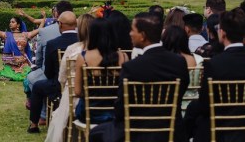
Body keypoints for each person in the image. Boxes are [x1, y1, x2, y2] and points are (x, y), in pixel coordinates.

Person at [89, 12, 189, 142]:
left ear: (142, 36)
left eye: (132, 30)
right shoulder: (179, 62)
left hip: (136, 132)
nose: (129, 33)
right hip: (172, 130)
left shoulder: (131, 67)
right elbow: (182, 90)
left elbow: (121, 107)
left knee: (95, 133)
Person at [185, 8, 245, 141]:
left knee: (195, 111)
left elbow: (205, 104)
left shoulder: (213, 64)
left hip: (220, 130)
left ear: (223, 33)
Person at [45, 13, 95, 142]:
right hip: (102, 101)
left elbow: (61, 79)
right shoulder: (105, 53)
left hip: (75, 98)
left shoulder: (73, 50)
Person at [27, 11, 78, 133]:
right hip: (81, 85)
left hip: (59, 86)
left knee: (38, 86)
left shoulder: (53, 44)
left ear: (60, 24)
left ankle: (34, 124)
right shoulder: (84, 41)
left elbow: (48, 72)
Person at [74, 18, 128, 124]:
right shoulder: (124, 56)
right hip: (117, 112)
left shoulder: (83, 57)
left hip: (90, 113)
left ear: (92, 34)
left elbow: (77, 91)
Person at [0, 11, 45, 81]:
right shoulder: (6, 35)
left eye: (13, 22)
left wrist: (26, 15)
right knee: (7, 75)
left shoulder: (26, 35)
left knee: (28, 75)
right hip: (11, 64)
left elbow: (40, 29)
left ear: (18, 25)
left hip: (23, 63)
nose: (10, 23)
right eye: (10, 22)